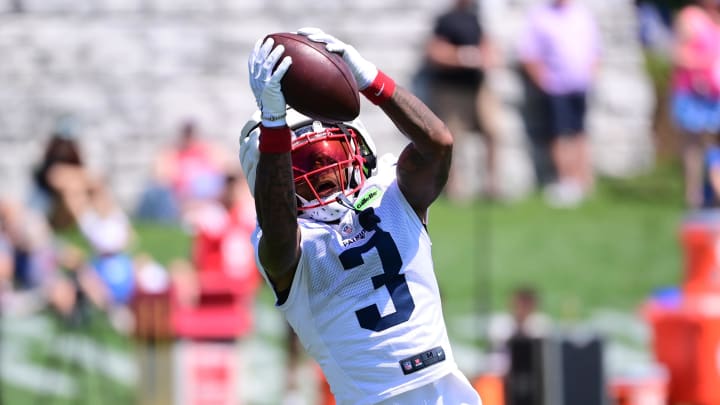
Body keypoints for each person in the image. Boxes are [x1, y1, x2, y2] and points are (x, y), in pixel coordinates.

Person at [239, 28, 481, 404]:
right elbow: (280, 234)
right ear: (273, 169)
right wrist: (274, 124)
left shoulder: (391, 192)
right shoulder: (284, 243)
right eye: (300, 162)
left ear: (355, 147)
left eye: (328, 154)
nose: (320, 168)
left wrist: (370, 79)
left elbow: (439, 144)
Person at [517, 0, 601, 208]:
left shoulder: (582, 14)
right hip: (556, 86)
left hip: (580, 85)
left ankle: (582, 181)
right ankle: (566, 182)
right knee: (560, 134)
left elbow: (595, 48)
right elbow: (529, 53)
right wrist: (544, 81)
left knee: (579, 132)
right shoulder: (540, 15)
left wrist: (591, 74)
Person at [423, 0, 500, 201]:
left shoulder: (476, 18)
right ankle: (454, 189)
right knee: (453, 139)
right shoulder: (445, 20)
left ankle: (492, 186)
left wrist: (486, 58)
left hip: (477, 87)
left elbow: (487, 47)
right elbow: (434, 52)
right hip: (451, 89)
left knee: (493, 131)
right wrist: (462, 58)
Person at [670, 0, 720, 209]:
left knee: (713, 144)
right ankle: (695, 195)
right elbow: (677, 54)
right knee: (695, 146)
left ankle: (713, 192)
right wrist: (705, 62)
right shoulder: (690, 17)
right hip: (693, 94)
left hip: (715, 95)